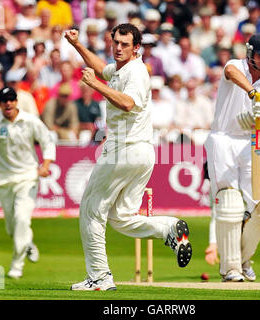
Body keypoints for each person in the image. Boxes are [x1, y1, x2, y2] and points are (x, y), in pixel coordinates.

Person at [64, 23, 192, 291]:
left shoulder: (136, 72)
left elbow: (127, 103)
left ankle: (99, 277)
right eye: (115, 43)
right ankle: (168, 229)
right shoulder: (121, 68)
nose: (118, 48)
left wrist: (95, 85)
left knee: (90, 210)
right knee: (121, 216)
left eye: (124, 44)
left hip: (123, 150)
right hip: (142, 152)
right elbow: (101, 67)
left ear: (137, 48)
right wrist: (77, 45)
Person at [204, 33, 260, 282]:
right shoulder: (236, 66)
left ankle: (245, 258)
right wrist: (253, 94)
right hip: (222, 138)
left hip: (251, 141)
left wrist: (258, 119)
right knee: (229, 201)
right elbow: (230, 74)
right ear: (250, 53)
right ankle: (231, 269)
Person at [0, 87, 56, 279]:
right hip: (4, 179)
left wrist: (45, 165)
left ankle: (16, 266)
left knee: (22, 219)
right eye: (4, 100)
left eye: (11, 99)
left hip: (27, 177)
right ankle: (28, 243)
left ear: (16, 101)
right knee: (12, 227)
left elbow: (47, 141)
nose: (8, 103)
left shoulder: (30, 121)